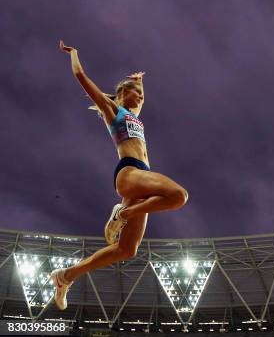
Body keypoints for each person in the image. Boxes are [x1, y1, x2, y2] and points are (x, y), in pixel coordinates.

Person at [49, 41, 189, 310]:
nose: (142, 99)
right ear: (124, 93)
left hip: (142, 178)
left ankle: (65, 276)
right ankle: (122, 214)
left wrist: (138, 81)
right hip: (130, 171)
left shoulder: (134, 112)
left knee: (127, 250)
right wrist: (75, 54)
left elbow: (141, 98)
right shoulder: (112, 110)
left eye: (141, 95)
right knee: (178, 195)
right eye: (137, 94)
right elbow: (80, 76)